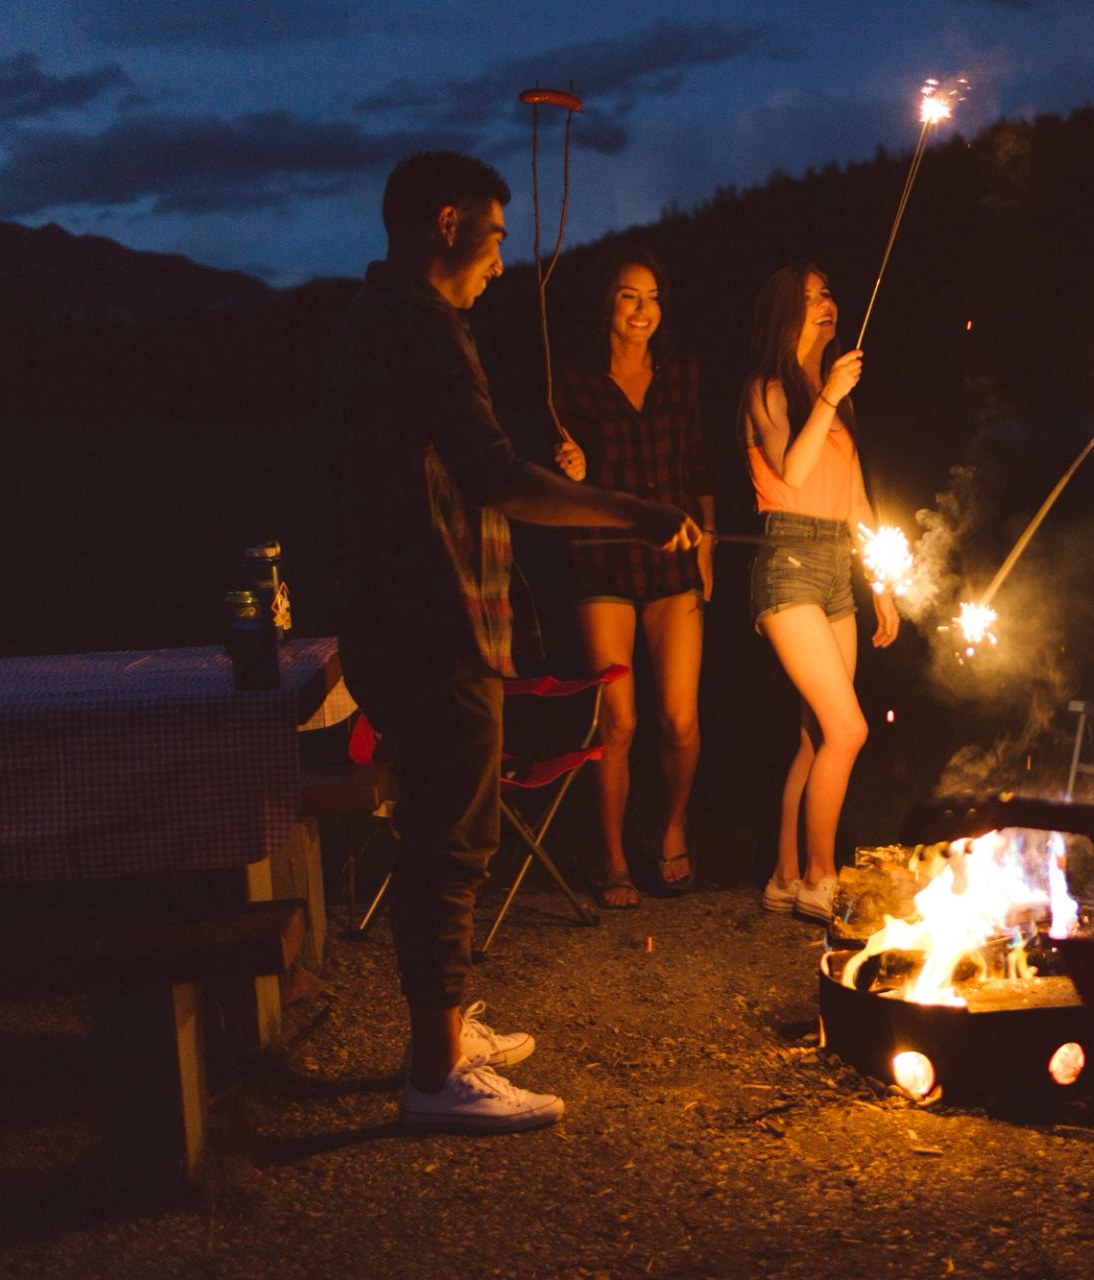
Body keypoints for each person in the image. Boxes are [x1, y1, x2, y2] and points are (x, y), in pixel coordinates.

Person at [324, 152, 698, 1132]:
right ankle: (436, 1074)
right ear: (446, 222)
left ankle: (439, 1031)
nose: (502, 259)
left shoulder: (368, 315)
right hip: (434, 611)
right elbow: (495, 475)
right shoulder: (423, 323)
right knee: (454, 839)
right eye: (494, 235)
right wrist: (629, 511)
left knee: (437, 831)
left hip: (388, 608)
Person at [550, 249, 714, 907]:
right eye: (628, 297)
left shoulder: (680, 376)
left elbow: (697, 467)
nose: (643, 311)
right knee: (618, 721)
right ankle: (615, 858)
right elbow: (568, 480)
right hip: (603, 555)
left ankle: (672, 829)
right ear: (607, 306)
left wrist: (709, 549)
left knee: (678, 718)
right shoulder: (575, 382)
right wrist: (576, 470)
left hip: (674, 554)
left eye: (652, 298)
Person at [740, 263, 901, 923]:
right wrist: (829, 396)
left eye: (828, 292)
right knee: (847, 727)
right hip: (787, 560)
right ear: (783, 314)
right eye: (807, 299)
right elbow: (792, 471)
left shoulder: (832, 397)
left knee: (816, 737)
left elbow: (858, 500)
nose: (824, 304)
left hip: (838, 564)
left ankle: (783, 877)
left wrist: (881, 583)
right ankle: (820, 879)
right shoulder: (769, 390)